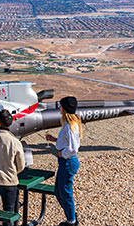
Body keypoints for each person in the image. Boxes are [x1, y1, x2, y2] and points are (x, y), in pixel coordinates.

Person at [46, 96, 82, 226]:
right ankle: (70, 214)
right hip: (66, 162)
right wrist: (55, 140)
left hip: (68, 161)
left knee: (65, 193)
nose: (59, 108)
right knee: (58, 191)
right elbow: (68, 142)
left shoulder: (70, 125)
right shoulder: (70, 123)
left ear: (65, 108)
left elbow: (73, 148)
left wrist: (62, 153)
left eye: (61, 106)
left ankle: (71, 221)